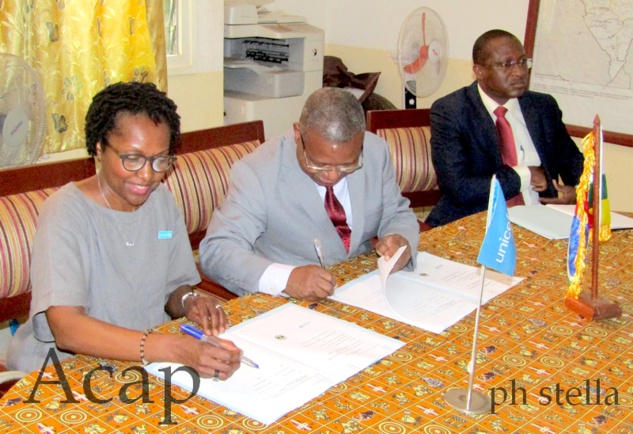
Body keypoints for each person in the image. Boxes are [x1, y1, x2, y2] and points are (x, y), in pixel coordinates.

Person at [8, 82, 242, 378]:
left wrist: (189, 301)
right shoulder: (65, 213)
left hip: (144, 357)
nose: (147, 175)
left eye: (161, 160)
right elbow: (67, 329)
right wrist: (175, 349)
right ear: (98, 147)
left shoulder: (160, 201)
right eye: (132, 158)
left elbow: (174, 287)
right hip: (71, 369)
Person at [199, 87, 419, 302]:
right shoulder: (258, 171)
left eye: (347, 166)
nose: (332, 176)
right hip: (287, 302)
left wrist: (401, 241)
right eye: (319, 164)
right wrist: (286, 279)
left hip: (363, 289)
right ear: (298, 134)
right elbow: (217, 250)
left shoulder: (375, 151)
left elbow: (396, 214)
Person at [425, 29, 584, 228]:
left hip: (540, 220)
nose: (518, 72)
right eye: (506, 65)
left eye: (522, 62)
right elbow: (459, 187)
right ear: (479, 71)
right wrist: (525, 175)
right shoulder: (452, 111)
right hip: (477, 222)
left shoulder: (542, 107)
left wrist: (578, 192)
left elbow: (574, 164)